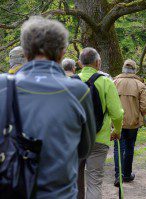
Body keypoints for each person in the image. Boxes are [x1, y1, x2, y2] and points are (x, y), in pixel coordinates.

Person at [0, 16, 96, 198]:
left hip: (10, 188)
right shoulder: (78, 91)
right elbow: (85, 149)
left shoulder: (3, 86)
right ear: (62, 53)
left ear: (26, 53)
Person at [77, 47, 124, 199]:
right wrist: (117, 130)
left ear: (79, 63)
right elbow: (117, 114)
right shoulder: (106, 82)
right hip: (98, 139)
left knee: (74, 181)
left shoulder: (70, 82)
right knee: (94, 181)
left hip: (74, 140)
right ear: (98, 63)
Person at [113, 59, 146, 186]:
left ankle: (118, 176)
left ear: (123, 69)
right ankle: (127, 174)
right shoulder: (140, 85)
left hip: (117, 121)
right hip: (133, 122)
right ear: (134, 70)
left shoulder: (114, 82)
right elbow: (145, 106)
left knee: (118, 148)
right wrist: (139, 114)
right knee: (129, 147)